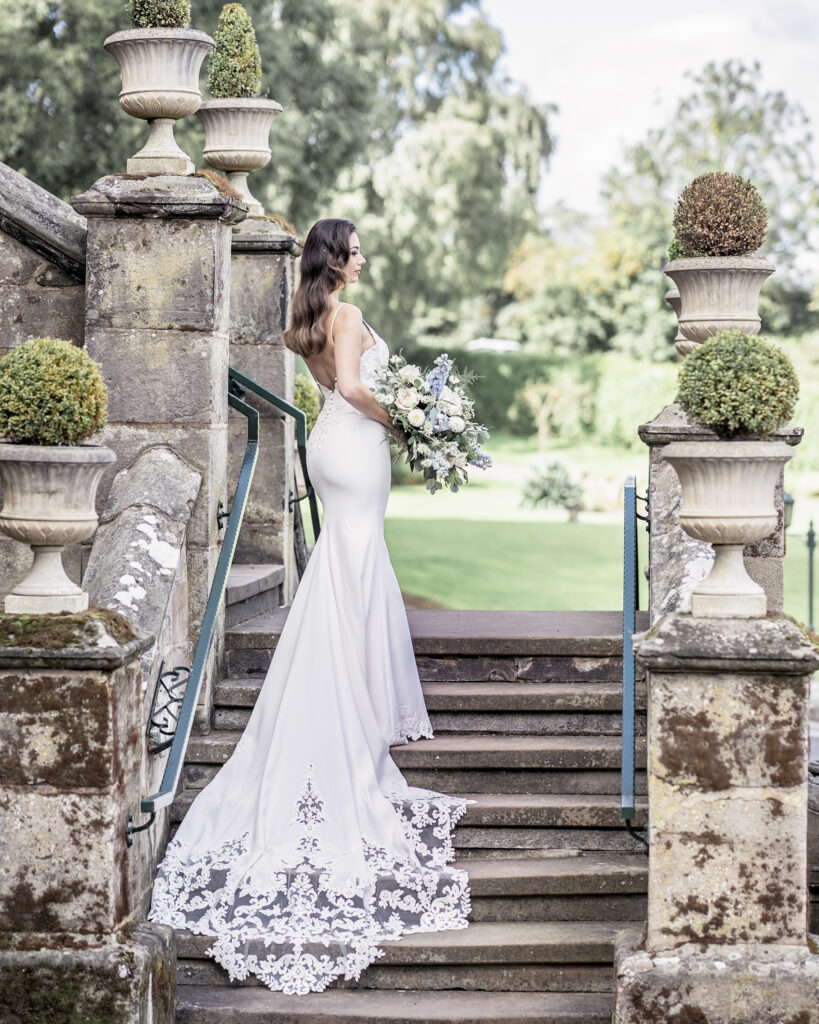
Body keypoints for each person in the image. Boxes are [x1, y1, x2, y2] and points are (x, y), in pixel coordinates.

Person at [148, 218, 471, 995]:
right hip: (355, 442)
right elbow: (358, 390)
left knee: (342, 564)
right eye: (356, 249)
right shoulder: (350, 316)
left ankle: (347, 686)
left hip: (327, 446)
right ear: (336, 257)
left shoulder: (311, 319)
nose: (364, 259)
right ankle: (347, 701)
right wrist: (414, 426)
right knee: (352, 559)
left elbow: (334, 385)